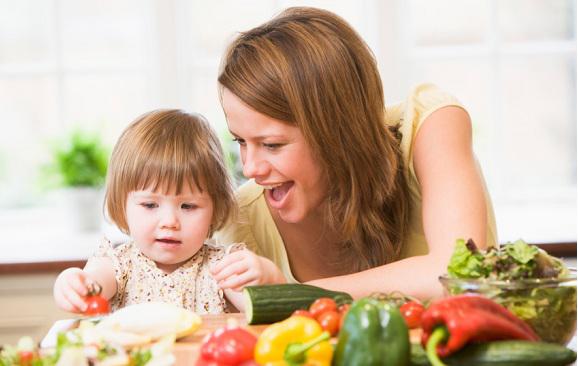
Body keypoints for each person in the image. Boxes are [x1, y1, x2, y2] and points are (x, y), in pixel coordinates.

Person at [213, 6, 498, 300]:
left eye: (272, 145)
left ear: (337, 131)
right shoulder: (244, 220)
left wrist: (292, 295)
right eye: (240, 141)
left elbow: (460, 276)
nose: (250, 168)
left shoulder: (431, 126)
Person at [53, 109, 285, 314]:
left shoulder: (220, 268)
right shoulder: (119, 265)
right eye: (150, 205)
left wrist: (269, 276)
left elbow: (265, 308)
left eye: (188, 206)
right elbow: (93, 283)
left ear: (215, 209)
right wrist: (74, 283)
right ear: (122, 205)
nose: (170, 222)